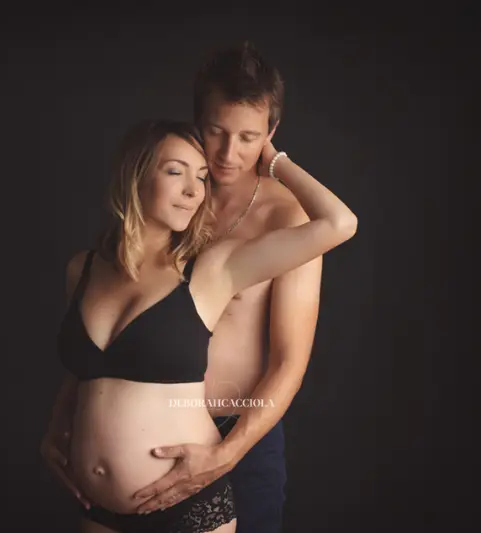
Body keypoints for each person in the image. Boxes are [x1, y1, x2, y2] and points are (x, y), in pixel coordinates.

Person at [41, 116, 357, 532]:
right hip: (95, 509)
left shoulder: (212, 270)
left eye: (202, 177)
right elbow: (90, 369)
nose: (194, 191)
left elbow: (339, 223)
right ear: (135, 175)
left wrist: (275, 160)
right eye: (176, 172)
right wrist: (55, 428)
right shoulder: (81, 270)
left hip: (186, 508)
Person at [130, 41, 327, 533]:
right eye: (216, 131)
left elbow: (289, 362)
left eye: (248, 137)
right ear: (197, 121)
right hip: (149, 428)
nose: (227, 153)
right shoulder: (171, 196)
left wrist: (226, 453)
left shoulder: (287, 217)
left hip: (237, 433)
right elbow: (112, 309)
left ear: (271, 134)